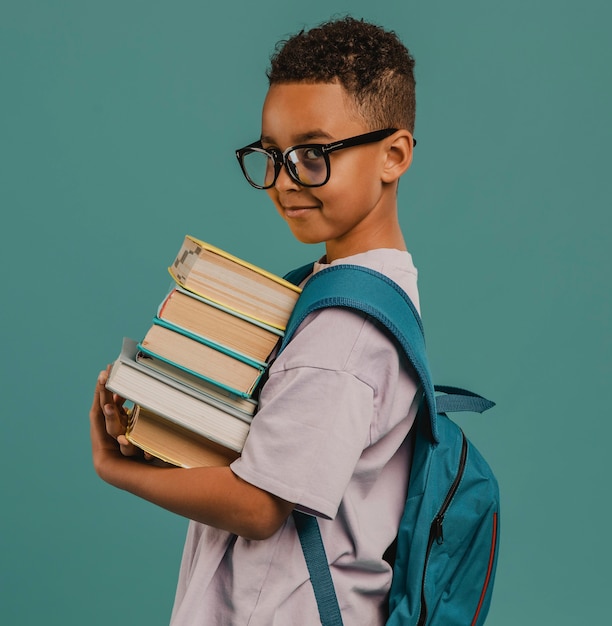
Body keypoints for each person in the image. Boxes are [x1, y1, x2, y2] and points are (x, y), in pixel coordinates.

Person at [90, 16, 420, 625]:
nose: (284, 181)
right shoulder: (338, 293)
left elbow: (261, 503)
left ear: (392, 155)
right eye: (272, 155)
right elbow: (273, 460)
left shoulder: (346, 334)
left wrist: (118, 473)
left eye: (313, 155)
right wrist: (156, 446)